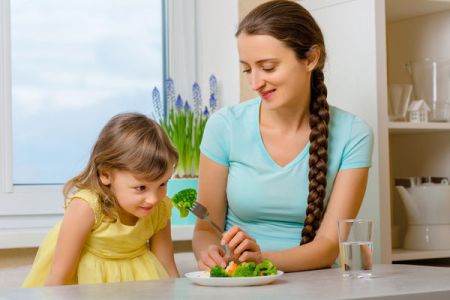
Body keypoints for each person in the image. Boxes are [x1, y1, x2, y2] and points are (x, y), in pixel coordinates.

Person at [192, 0, 374, 273]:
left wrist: (263, 260)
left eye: (267, 67)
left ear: (311, 59)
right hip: (240, 284)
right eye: (247, 69)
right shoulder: (224, 126)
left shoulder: (353, 134)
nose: (255, 83)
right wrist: (208, 251)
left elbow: (328, 246)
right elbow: (205, 228)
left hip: (315, 285)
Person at [23, 113, 180, 287]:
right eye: (141, 188)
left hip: (138, 283)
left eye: (162, 184)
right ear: (106, 174)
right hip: (86, 287)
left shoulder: (159, 208)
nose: (153, 199)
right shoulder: (87, 207)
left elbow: (167, 268)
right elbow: (59, 279)